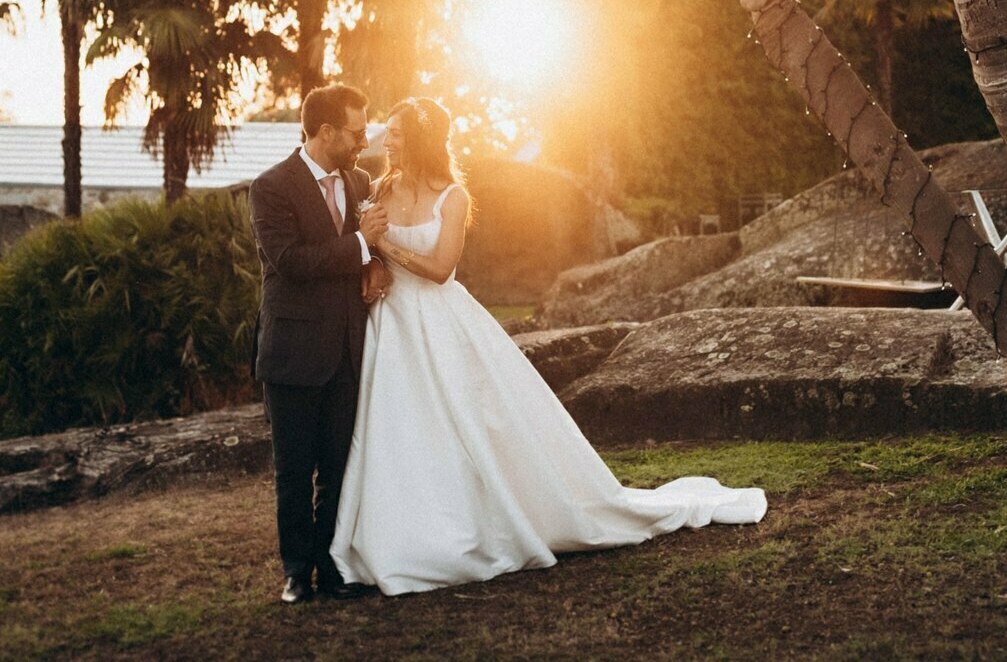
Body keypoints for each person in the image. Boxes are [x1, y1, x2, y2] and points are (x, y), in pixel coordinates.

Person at [329, 97, 766, 596]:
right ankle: (392, 534)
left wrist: (383, 249)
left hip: (440, 321)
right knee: (394, 427)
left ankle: (473, 523)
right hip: (391, 325)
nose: (390, 141)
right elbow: (369, 253)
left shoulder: (453, 197)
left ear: (422, 139)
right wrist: (374, 267)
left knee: (467, 421)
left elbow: (442, 269)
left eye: (400, 133)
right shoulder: (380, 187)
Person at [248, 83, 393, 604]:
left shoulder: (360, 181)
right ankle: (296, 573)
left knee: (337, 466)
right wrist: (361, 245)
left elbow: (368, 255)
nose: (364, 141)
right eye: (356, 132)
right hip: (291, 352)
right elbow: (291, 262)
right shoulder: (271, 187)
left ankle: (333, 570)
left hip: (349, 348)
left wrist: (374, 264)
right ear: (326, 131)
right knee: (293, 470)